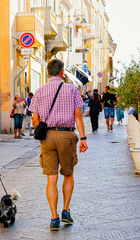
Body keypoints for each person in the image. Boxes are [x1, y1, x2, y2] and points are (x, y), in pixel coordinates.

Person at [29, 59, 88, 231]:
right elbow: (78, 114)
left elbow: (35, 118)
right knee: (68, 174)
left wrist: (40, 132)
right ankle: (65, 210)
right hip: (66, 135)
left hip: (47, 136)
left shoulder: (39, 91)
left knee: (51, 177)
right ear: (62, 72)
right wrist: (83, 138)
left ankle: (54, 217)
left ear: (48, 73)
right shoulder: (71, 89)